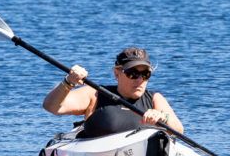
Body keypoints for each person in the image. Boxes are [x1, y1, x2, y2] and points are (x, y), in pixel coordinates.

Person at [42, 47, 184, 138]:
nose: (140, 79)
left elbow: (179, 130)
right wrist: (68, 81)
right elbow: (52, 106)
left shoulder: (154, 99)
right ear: (117, 73)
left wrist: (163, 117)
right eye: (133, 73)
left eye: (146, 74)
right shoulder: (95, 94)